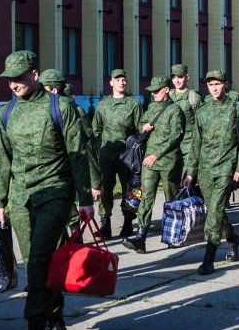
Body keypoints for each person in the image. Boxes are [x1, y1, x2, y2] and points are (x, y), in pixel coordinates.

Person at [0, 51, 94, 330]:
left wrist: (85, 200)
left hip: (55, 193)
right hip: (22, 198)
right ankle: (56, 321)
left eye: (20, 77)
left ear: (34, 75)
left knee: (37, 261)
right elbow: (2, 159)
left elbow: (77, 155)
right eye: (10, 79)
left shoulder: (59, 107)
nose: (14, 84)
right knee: (39, 263)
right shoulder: (6, 112)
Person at [184, 70, 239, 274]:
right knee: (217, 211)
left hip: (226, 168)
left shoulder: (236, 107)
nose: (214, 88)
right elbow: (196, 143)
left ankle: (209, 258)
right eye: (210, 84)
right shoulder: (202, 111)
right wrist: (190, 172)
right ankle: (232, 238)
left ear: (226, 84)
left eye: (218, 84)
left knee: (214, 211)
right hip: (205, 169)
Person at [123, 76, 184, 253]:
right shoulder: (151, 107)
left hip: (168, 162)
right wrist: (145, 126)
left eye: (157, 90)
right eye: (152, 91)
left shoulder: (175, 110)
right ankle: (141, 237)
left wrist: (157, 155)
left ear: (166, 89)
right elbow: (141, 124)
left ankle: (173, 235)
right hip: (149, 161)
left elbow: (176, 136)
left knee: (171, 199)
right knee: (145, 196)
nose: (154, 93)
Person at [40, 70, 101, 241]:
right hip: (50, 183)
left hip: (69, 177)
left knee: (71, 217)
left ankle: (77, 252)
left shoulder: (74, 113)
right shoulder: (42, 114)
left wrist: (95, 183)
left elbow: (87, 149)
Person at [93, 69, 143, 238]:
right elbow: (96, 128)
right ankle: (105, 223)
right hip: (107, 154)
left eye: (124, 79)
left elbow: (140, 129)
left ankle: (128, 222)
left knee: (129, 188)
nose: (121, 82)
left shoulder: (133, 104)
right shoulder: (103, 104)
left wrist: (136, 149)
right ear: (111, 82)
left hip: (126, 154)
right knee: (105, 188)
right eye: (118, 79)